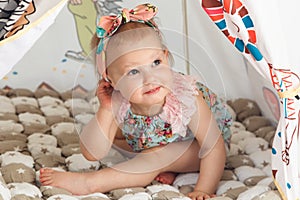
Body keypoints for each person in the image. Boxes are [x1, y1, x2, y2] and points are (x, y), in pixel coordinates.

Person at [39, 3, 232, 200]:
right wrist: (106, 110)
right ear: (111, 80)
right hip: (155, 140)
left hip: (203, 149)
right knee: (115, 138)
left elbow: (213, 146)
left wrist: (203, 189)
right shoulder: (120, 99)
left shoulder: (186, 96)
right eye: (133, 72)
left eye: (156, 63)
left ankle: (90, 183)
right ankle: (163, 165)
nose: (150, 79)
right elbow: (92, 153)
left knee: (156, 156)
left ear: (165, 57)